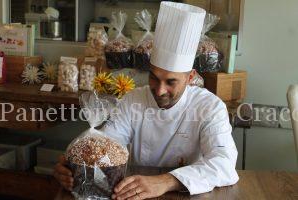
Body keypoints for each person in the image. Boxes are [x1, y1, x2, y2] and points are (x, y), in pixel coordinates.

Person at [54, 2, 239, 200]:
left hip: (188, 194)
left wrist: (167, 181)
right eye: (154, 77)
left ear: (190, 77)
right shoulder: (133, 99)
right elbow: (110, 142)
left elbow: (224, 165)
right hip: (134, 192)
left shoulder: (210, 107)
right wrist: (78, 166)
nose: (159, 90)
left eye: (171, 82)